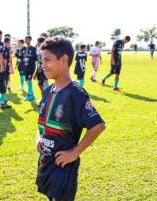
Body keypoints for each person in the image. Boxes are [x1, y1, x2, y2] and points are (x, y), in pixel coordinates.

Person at [36, 37, 105, 201]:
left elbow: (98, 126)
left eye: (47, 60)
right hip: (46, 163)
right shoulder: (48, 90)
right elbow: (42, 123)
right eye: (41, 60)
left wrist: (75, 152)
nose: (42, 64)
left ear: (64, 59)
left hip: (63, 167)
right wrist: (38, 137)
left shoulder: (76, 93)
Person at [34, 36, 49, 101]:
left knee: (40, 85)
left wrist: (41, 68)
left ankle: (44, 99)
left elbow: (45, 61)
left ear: (41, 43)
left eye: (37, 42)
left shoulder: (44, 51)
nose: (37, 43)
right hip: (39, 70)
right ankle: (45, 98)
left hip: (43, 70)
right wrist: (36, 72)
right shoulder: (39, 51)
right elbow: (38, 62)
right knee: (43, 84)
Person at [24, 35, 37, 101]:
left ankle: (29, 95)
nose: (25, 41)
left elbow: (35, 58)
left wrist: (29, 62)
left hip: (31, 67)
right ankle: (32, 94)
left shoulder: (33, 48)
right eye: (25, 39)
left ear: (30, 40)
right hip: (26, 67)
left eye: (27, 39)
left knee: (29, 80)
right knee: (27, 80)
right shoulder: (25, 48)